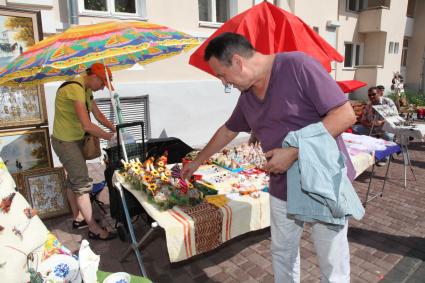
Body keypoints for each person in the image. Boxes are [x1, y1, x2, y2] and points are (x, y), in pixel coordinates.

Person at [181, 33, 357, 282]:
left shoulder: (298, 66)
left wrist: (295, 152)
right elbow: (228, 130)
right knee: (282, 253)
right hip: (282, 185)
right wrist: (198, 160)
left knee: (332, 262)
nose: (224, 83)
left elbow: (345, 115)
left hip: (323, 182)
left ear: (238, 62)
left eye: (222, 75)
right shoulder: (247, 95)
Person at [51, 63, 116, 241]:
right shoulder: (75, 88)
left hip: (73, 140)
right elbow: (87, 125)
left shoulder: (86, 90)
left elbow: (98, 115)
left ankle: (79, 218)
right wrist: (109, 137)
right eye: (102, 84)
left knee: (73, 180)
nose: (103, 88)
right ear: (94, 77)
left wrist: (117, 130)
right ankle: (94, 229)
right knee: (81, 184)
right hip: (66, 142)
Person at [352, 87, 397, 165]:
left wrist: (382, 122)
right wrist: (368, 123)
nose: (371, 96)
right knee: (355, 129)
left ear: (379, 93)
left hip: (386, 128)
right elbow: (363, 120)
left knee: (388, 136)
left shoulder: (387, 102)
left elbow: (394, 116)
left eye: (373, 94)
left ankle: (384, 158)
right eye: (369, 95)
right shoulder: (369, 105)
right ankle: (365, 152)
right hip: (371, 127)